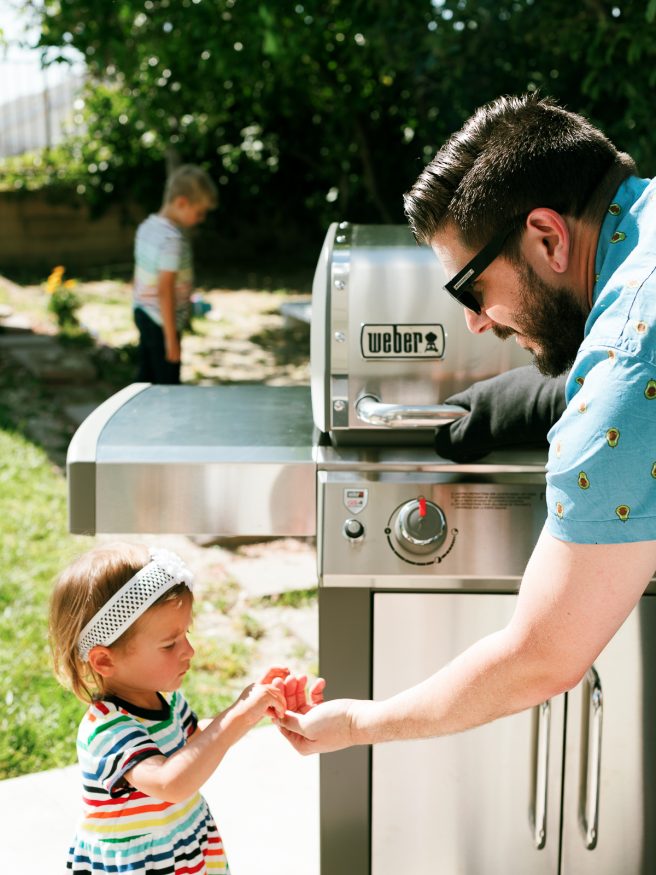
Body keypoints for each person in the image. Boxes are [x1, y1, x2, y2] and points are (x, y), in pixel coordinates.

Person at [277, 93, 656, 753]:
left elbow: (539, 659)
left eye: (469, 290)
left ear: (546, 237)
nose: (475, 322)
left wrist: (358, 723)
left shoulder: (626, 367)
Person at [49, 542, 289, 874]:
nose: (189, 650)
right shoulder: (107, 729)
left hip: (180, 847)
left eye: (185, 634)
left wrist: (246, 710)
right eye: (169, 644)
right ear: (104, 659)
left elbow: (194, 742)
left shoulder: (167, 699)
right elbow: (169, 782)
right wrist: (237, 717)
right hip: (141, 864)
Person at [133, 164, 218, 384]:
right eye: (199, 213)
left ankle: (139, 415)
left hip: (143, 312)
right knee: (168, 385)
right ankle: (163, 419)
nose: (201, 219)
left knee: (146, 379)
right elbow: (165, 290)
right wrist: (171, 339)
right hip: (163, 321)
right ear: (181, 203)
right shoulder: (172, 240)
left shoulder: (147, 227)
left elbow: (140, 276)